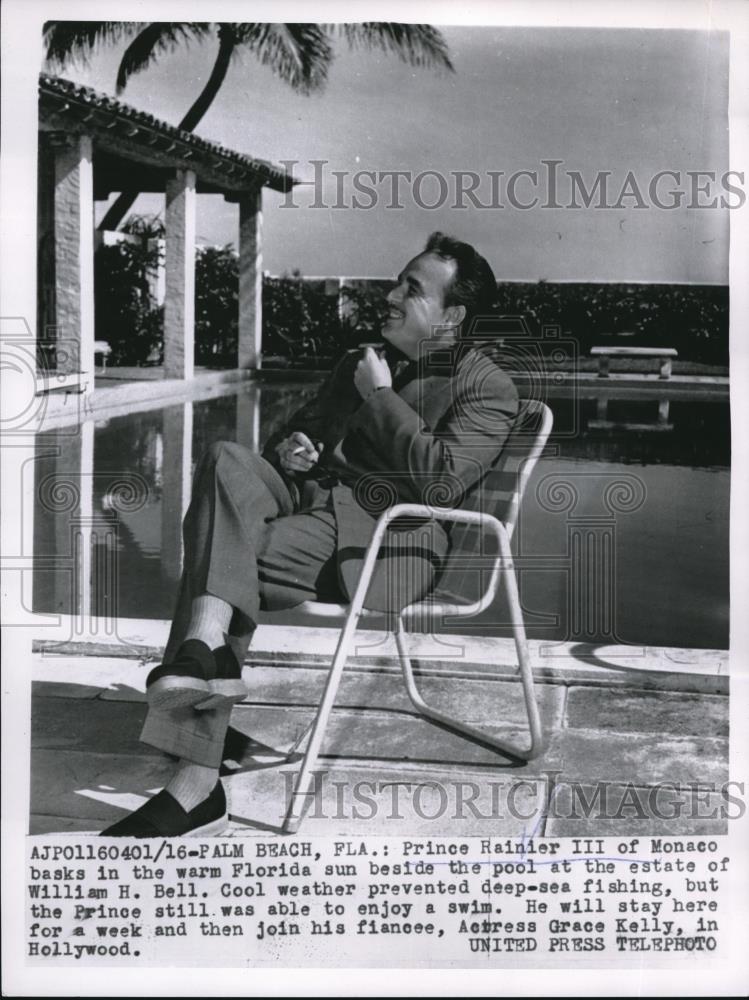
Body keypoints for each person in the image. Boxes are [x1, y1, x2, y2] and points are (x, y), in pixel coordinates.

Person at [102, 232, 519, 837]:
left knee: (224, 550)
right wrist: (293, 450)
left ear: (452, 316)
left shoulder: (485, 385)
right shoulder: (360, 360)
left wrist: (378, 396)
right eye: (398, 279)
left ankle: (197, 770)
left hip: (388, 540)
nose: (392, 293)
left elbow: (442, 484)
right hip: (312, 511)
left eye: (412, 288)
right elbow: (295, 437)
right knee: (225, 457)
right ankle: (206, 646)